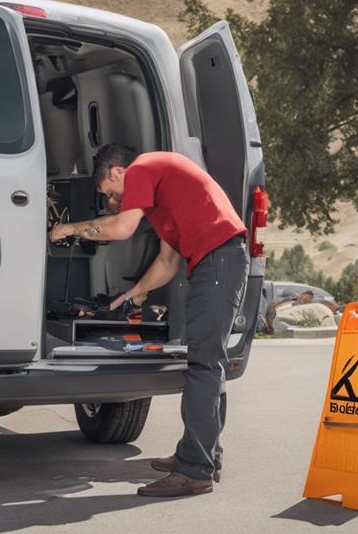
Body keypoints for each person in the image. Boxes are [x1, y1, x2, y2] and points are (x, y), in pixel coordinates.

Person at [49, 143, 249, 497]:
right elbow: (168, 261)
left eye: (110, 194)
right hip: (218, 262)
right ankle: (202, 455)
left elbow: (123, 228)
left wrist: (71, 229)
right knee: (208, 365)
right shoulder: (163, 198)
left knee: (204, 366)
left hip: (219, 262)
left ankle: (195, 471)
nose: (113, 202)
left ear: (116, 173)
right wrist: (134, 294)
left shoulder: (141, 168)